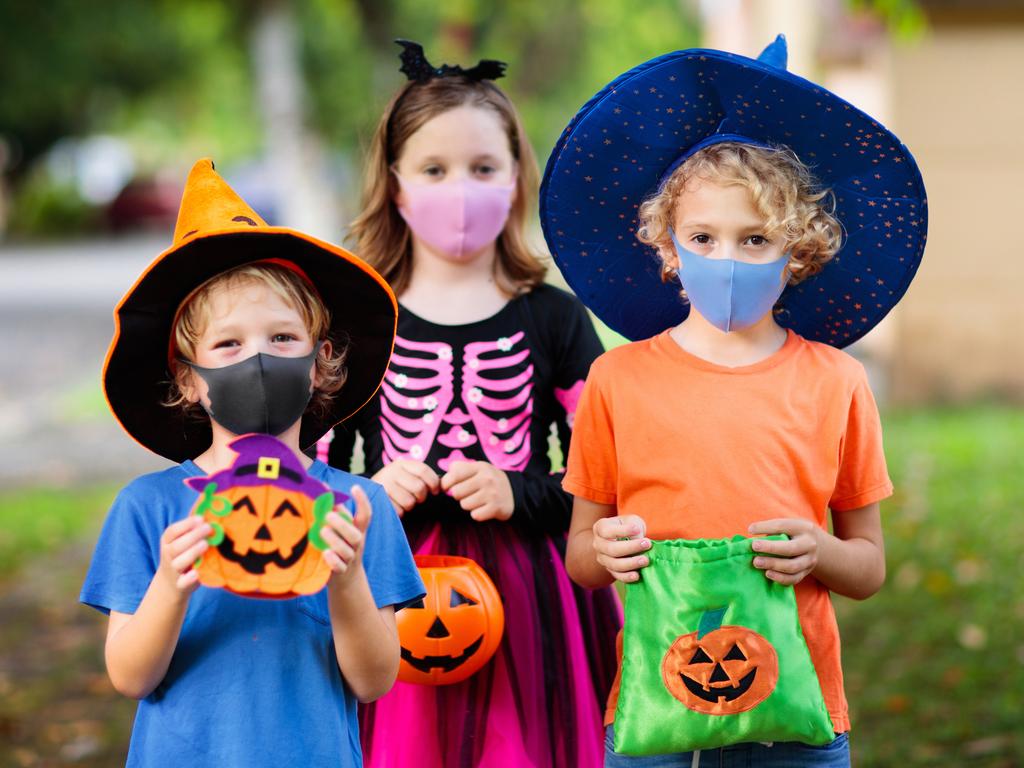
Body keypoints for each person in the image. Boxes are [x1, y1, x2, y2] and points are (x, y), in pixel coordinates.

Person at [541, 36, 927, 767]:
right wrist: (605, 551)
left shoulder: (835, 382)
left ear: (800, 252)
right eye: (703, 237)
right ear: (667, 247)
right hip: (657, 711)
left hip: (799, 712)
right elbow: (581, 557)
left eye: (756, 240)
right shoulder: (619, 381)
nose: (727, 261)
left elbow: (868, 566)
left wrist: (822, 552)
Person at [327, 41, 621, 767]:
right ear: (395, 185)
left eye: (483, 168)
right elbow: (301, 479)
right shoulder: (358, 322)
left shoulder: (554, 318)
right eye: (434, 169)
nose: (460, 188)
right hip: (389, 584)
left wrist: (521, 492)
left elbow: (611, 474)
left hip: (533, 589)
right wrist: (367, 493)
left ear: (516, 179)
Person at [80, 158, 424, 768]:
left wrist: (346, 581)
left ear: (320, 363)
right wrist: (170, 584)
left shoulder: (359, 508)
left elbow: (374, 681)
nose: (259, 359)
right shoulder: (148, 507)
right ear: (189, 379)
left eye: (283, 339)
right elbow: (130, 676)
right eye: (229, 344)